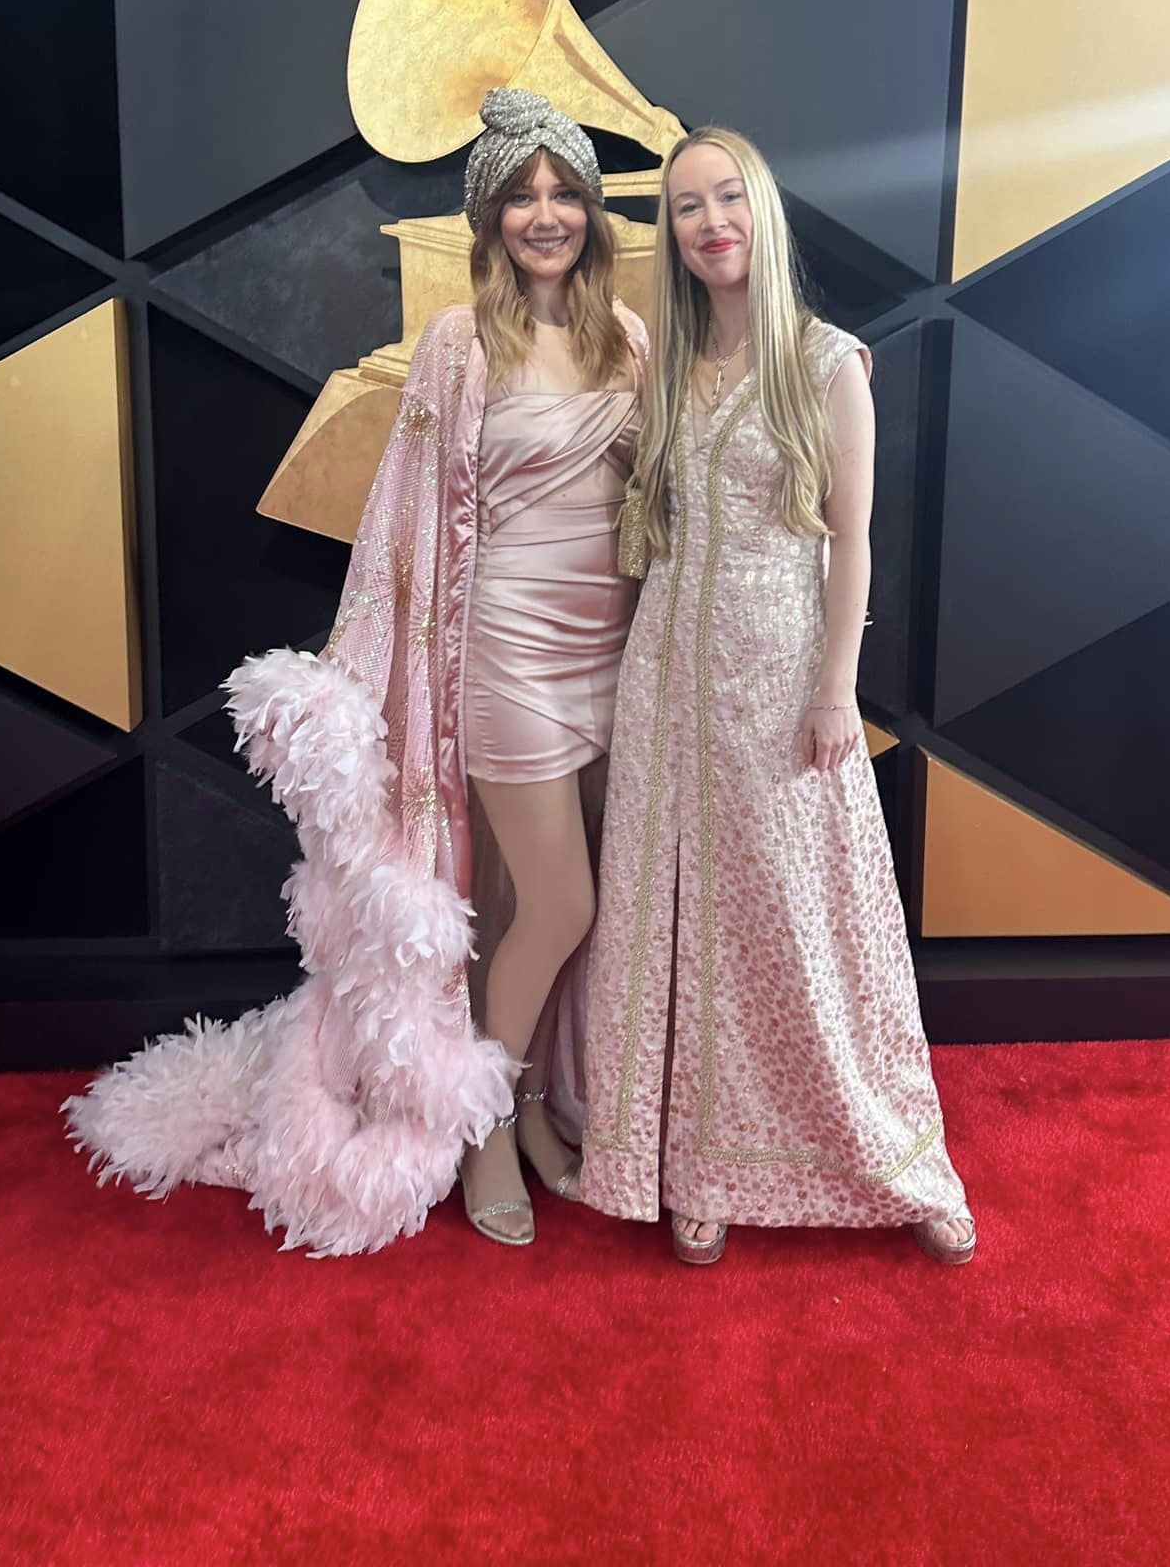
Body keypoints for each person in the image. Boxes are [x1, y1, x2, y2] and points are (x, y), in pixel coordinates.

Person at [65, 90, 646, 1256]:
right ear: (487, 219)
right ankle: (483, 1126)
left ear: (590, 207)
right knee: (562, 902)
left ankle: (532, 1098)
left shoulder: (625, 337)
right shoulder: (458, 342)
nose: (544, 214)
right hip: (509, 658)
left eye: (562, 192)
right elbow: (404, 517)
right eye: (519, 196)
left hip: (611, 652)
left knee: (537, 910)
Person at [579, 128, 974, 1267]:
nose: (710, 223)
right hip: (667, 678)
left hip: (781, 675)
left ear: (763, 209)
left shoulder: (827, 361)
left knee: (805, 928)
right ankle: (700, 1169)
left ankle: (900, 1158)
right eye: (686, 206)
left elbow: (851, 541)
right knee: (683, 921)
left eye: (727, 198)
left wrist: (835, 689)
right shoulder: (666, 365)